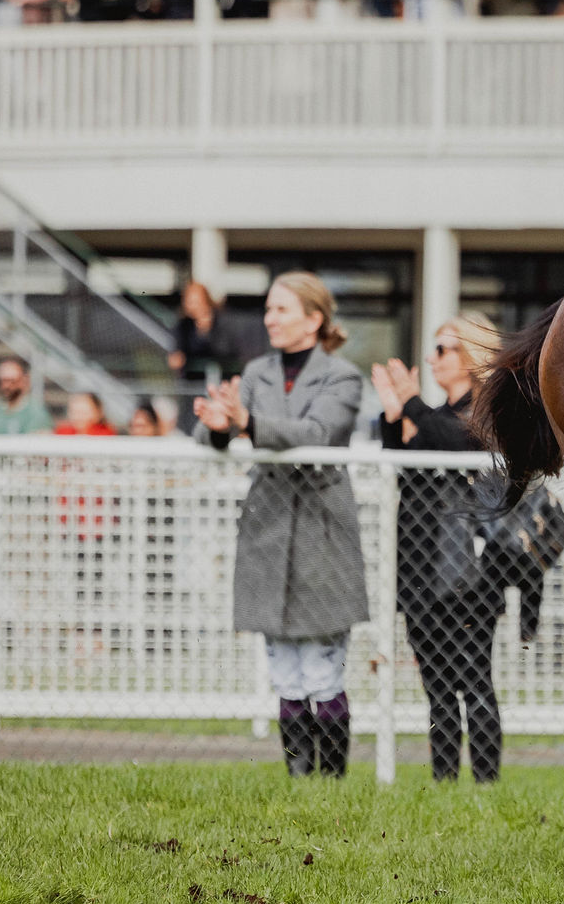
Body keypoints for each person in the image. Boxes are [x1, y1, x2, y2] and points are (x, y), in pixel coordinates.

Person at [192, 272, 368, 779]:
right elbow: (212, 433)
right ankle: (298, 780)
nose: (270, 318)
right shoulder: (255, 372)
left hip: (322, 530)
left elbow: (318, 433)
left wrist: (245, 423)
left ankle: (332, 782)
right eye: (268, 309)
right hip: (268, 525)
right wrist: (220, 425)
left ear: (314, 320)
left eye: (281, 310)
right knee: (285, 671)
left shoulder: (342, 377)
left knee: (322, 668)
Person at [375, 314, 509, 782]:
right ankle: (444, 778)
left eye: (443, 350)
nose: (432, 360)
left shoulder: (488, 413)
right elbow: (407, 468)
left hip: (470, 573)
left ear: (471, 358)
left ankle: (486, 782)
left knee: (473, 680)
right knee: (436, 685)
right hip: (422, 568)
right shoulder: (432, 414)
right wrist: (394, 416)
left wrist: (410, 403)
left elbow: (454, 441)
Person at [168, 280, 241, 382]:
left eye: (194, 301)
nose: (191, 305)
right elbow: (177, 352)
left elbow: (226, 349)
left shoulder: (221, 320)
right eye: (188, 301)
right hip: (193, 381)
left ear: (205, 299)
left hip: (221, 377)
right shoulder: (184, 325)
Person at [0, 356, 54, 434]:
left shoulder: (35, 413)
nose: (6, 386)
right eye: (3, 381)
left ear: (24, 380)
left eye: (12, 381)